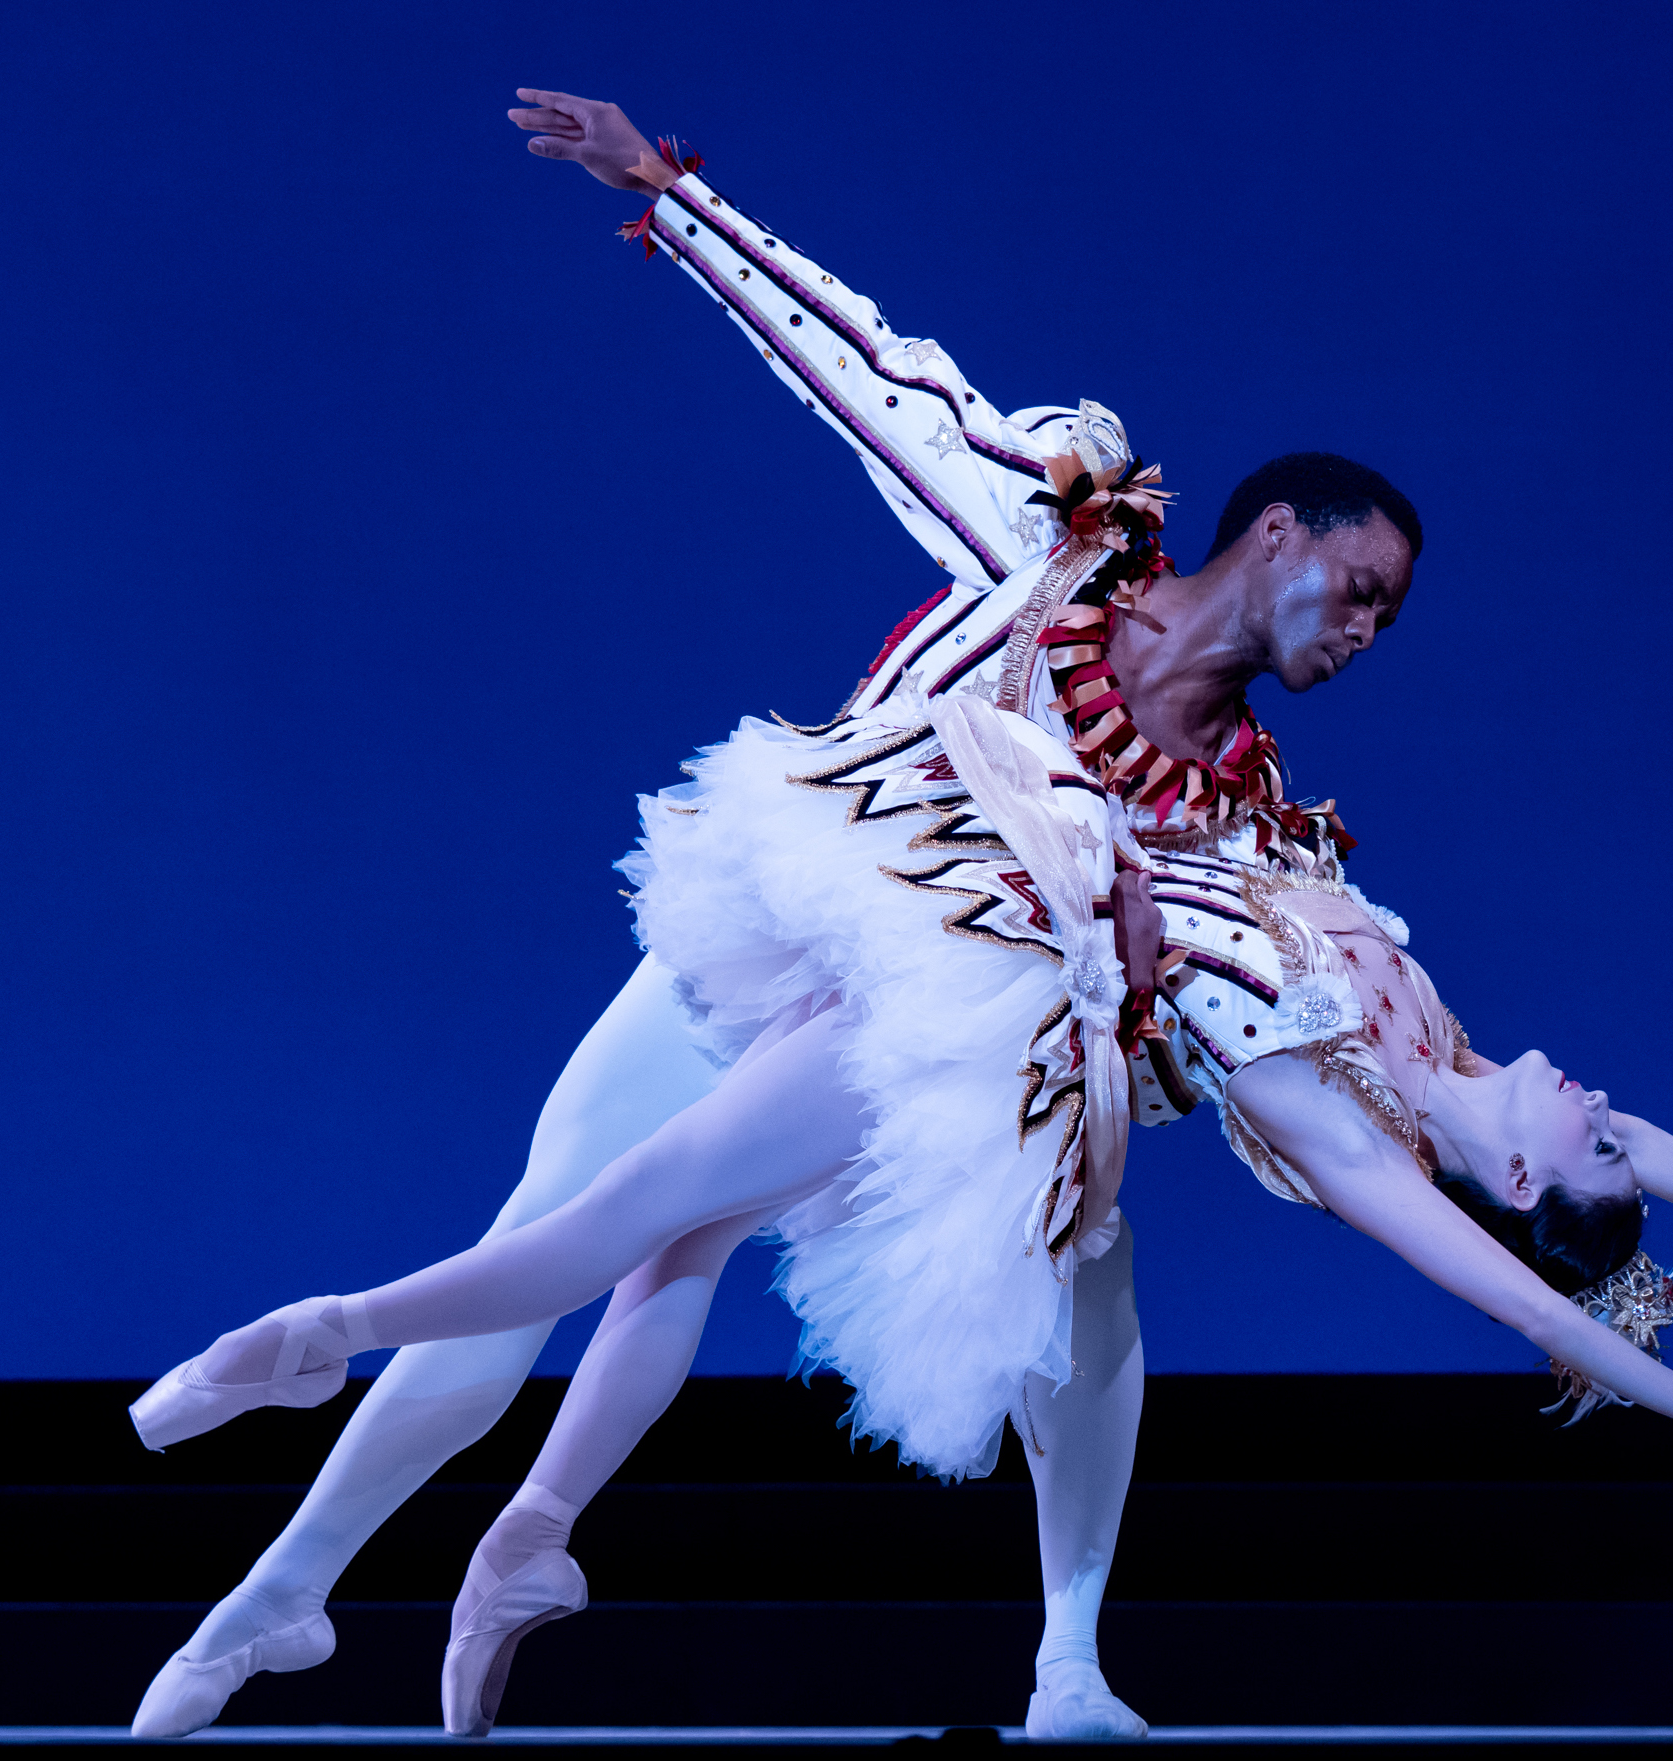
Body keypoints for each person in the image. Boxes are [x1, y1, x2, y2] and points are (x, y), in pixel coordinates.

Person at [127, 87, 1422, 1743]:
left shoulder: (1239, 811)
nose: (1369, 630)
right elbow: (875, 374)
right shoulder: (1053, 544)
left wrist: (1561, 1212)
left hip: (925, 1041)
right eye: (1360, 588)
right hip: (772, 940)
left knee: (1081, 1276)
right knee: (574, 1234)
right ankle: (288, 1589)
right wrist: (673, 196)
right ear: (1274, 533)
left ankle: (1068, 1664)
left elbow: (1322, 1014)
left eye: (1388, 614)